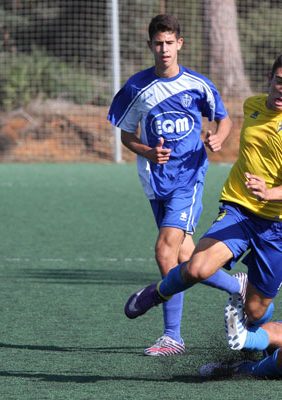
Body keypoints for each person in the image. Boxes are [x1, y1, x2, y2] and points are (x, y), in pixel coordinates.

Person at [124, 53, 282, 335]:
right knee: (197, 267)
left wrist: (267, 192)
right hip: (240, 209)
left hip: (280, 223)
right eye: (279, 81)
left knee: (255, 311)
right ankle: (157, 293)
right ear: (270, 79)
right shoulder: (252, 106)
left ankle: (261, 338)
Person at [107, 14, 242, 356]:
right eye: (158, 43)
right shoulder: (137, 88)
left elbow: (223, 120)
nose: (164, 49)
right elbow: (126, 136)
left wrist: (218, 139)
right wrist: (147, 152)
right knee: (187, 259)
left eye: (170, 43)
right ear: (149, 44)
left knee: (164, 250)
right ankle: (236, 285)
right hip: (155, 183)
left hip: (189, 179)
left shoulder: (197, 84)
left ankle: (172, 336)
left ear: (179, 44)